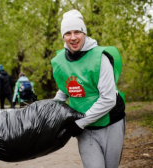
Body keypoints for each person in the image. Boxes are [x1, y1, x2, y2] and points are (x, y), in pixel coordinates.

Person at [51, 9, 126, 168]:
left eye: (77, 32)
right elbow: (64, 89)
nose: (73, 37)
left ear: (84, 33)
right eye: (68, 33)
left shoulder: (100, 58)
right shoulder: (59, 61)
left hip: (111, 122)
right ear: (63, 36)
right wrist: (49, 110)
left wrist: (79, 123)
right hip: (85, 128)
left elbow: (108, 98)